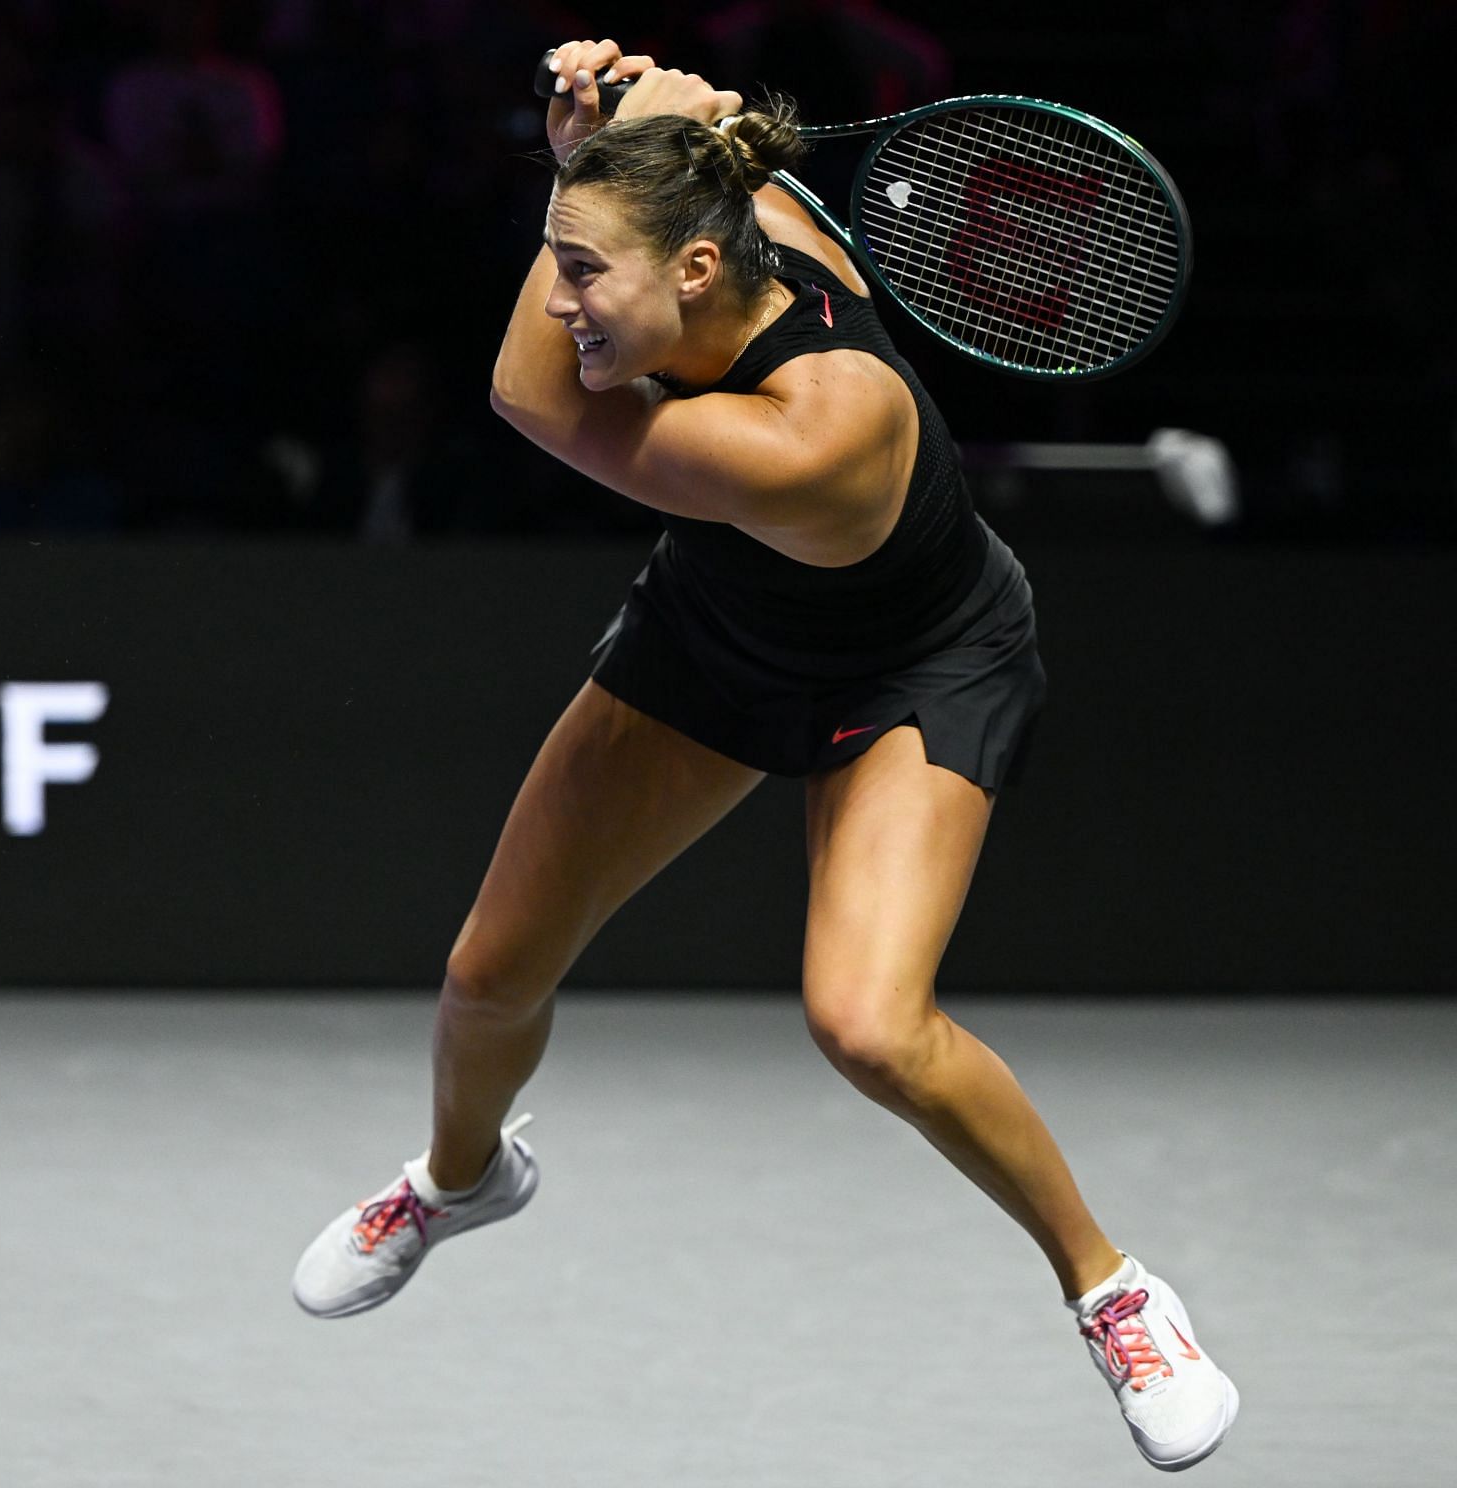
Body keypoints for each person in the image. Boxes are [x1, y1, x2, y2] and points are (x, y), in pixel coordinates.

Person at [292, 40, 1239, 1474]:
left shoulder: (821, 431)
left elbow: (534, 398)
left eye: (582, 271)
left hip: (917, 661)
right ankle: (461, 1179)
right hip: (722, 630)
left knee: (869, 1024)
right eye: (553, 261)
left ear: (689, 276)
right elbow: (659, 220)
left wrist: (580, 168)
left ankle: (1115, 1290)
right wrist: (618, 136)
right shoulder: (739, 208)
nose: (560, 297)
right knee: (490, 975)